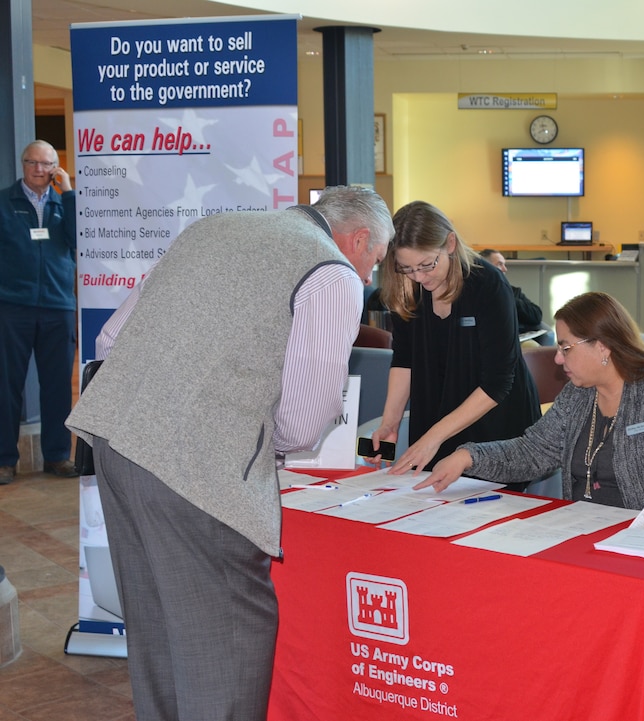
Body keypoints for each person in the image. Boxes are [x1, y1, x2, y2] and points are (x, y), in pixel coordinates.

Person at [65, 186, 394, 720]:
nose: (367, 277)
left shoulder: (211, 228)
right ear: (358, 238)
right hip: (201, 472)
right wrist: (265, 448)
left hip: (115, 445)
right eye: (373, 262)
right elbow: (309, 409)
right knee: (228, 644)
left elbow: (111, 339)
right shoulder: (330, 271)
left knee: (158, 632)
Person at [418, 291, 644, 528]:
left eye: (565, 347)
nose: (558, 359)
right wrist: (469, 456)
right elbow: (533, 452)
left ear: (602, 347)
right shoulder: (578, 394)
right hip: (591, 533)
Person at [371, 201, 540, 481]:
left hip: (494, 425)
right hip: (439, 420)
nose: (419, 277)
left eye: (427, 265)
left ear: (450, 244)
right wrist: (390, 422)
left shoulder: (488, 285)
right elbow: (404, 359)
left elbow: (498, 381)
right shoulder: (408, 290)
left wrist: (434, 436)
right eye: (408, 268)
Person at [0, 140, 77, 485]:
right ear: (23, 165)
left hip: (57, 306)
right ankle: (5, 460)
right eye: (32, 162)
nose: (39, 169)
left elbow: (78, 239)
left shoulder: (63, 203)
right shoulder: (5, 202)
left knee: (58, 386)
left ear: (56, 168)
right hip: (12, 307)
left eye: (46, 164)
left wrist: (70, 192)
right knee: (6, 387)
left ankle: (58, 455)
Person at [478, 248, 544, 335]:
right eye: (500, 264)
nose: (505, 269)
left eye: (504, 264)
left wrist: (509, 298)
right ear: (485, 267)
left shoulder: (513, 291)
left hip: (517, 338)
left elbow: (536, 316)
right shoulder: (475, 294)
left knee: (533, 346)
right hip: (489, 340)